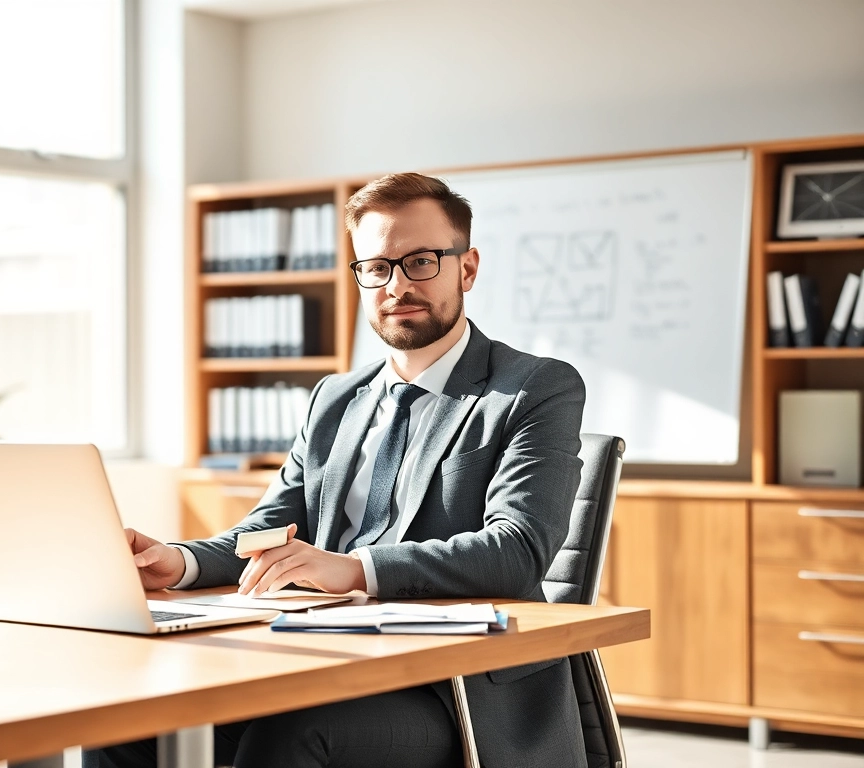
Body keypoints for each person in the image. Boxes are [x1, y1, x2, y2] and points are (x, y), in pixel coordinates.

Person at [86, 172, 588, 768]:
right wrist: (181, 561)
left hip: (453, 686)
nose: (397, 284)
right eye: (376, 267)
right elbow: (272, 530)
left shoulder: (532, 388)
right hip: (325, 656)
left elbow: (517, 551)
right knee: (122, 717)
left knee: (292, 734)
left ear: (467, 268)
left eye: (421, 261)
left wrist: (352, 569)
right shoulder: (335, 399)